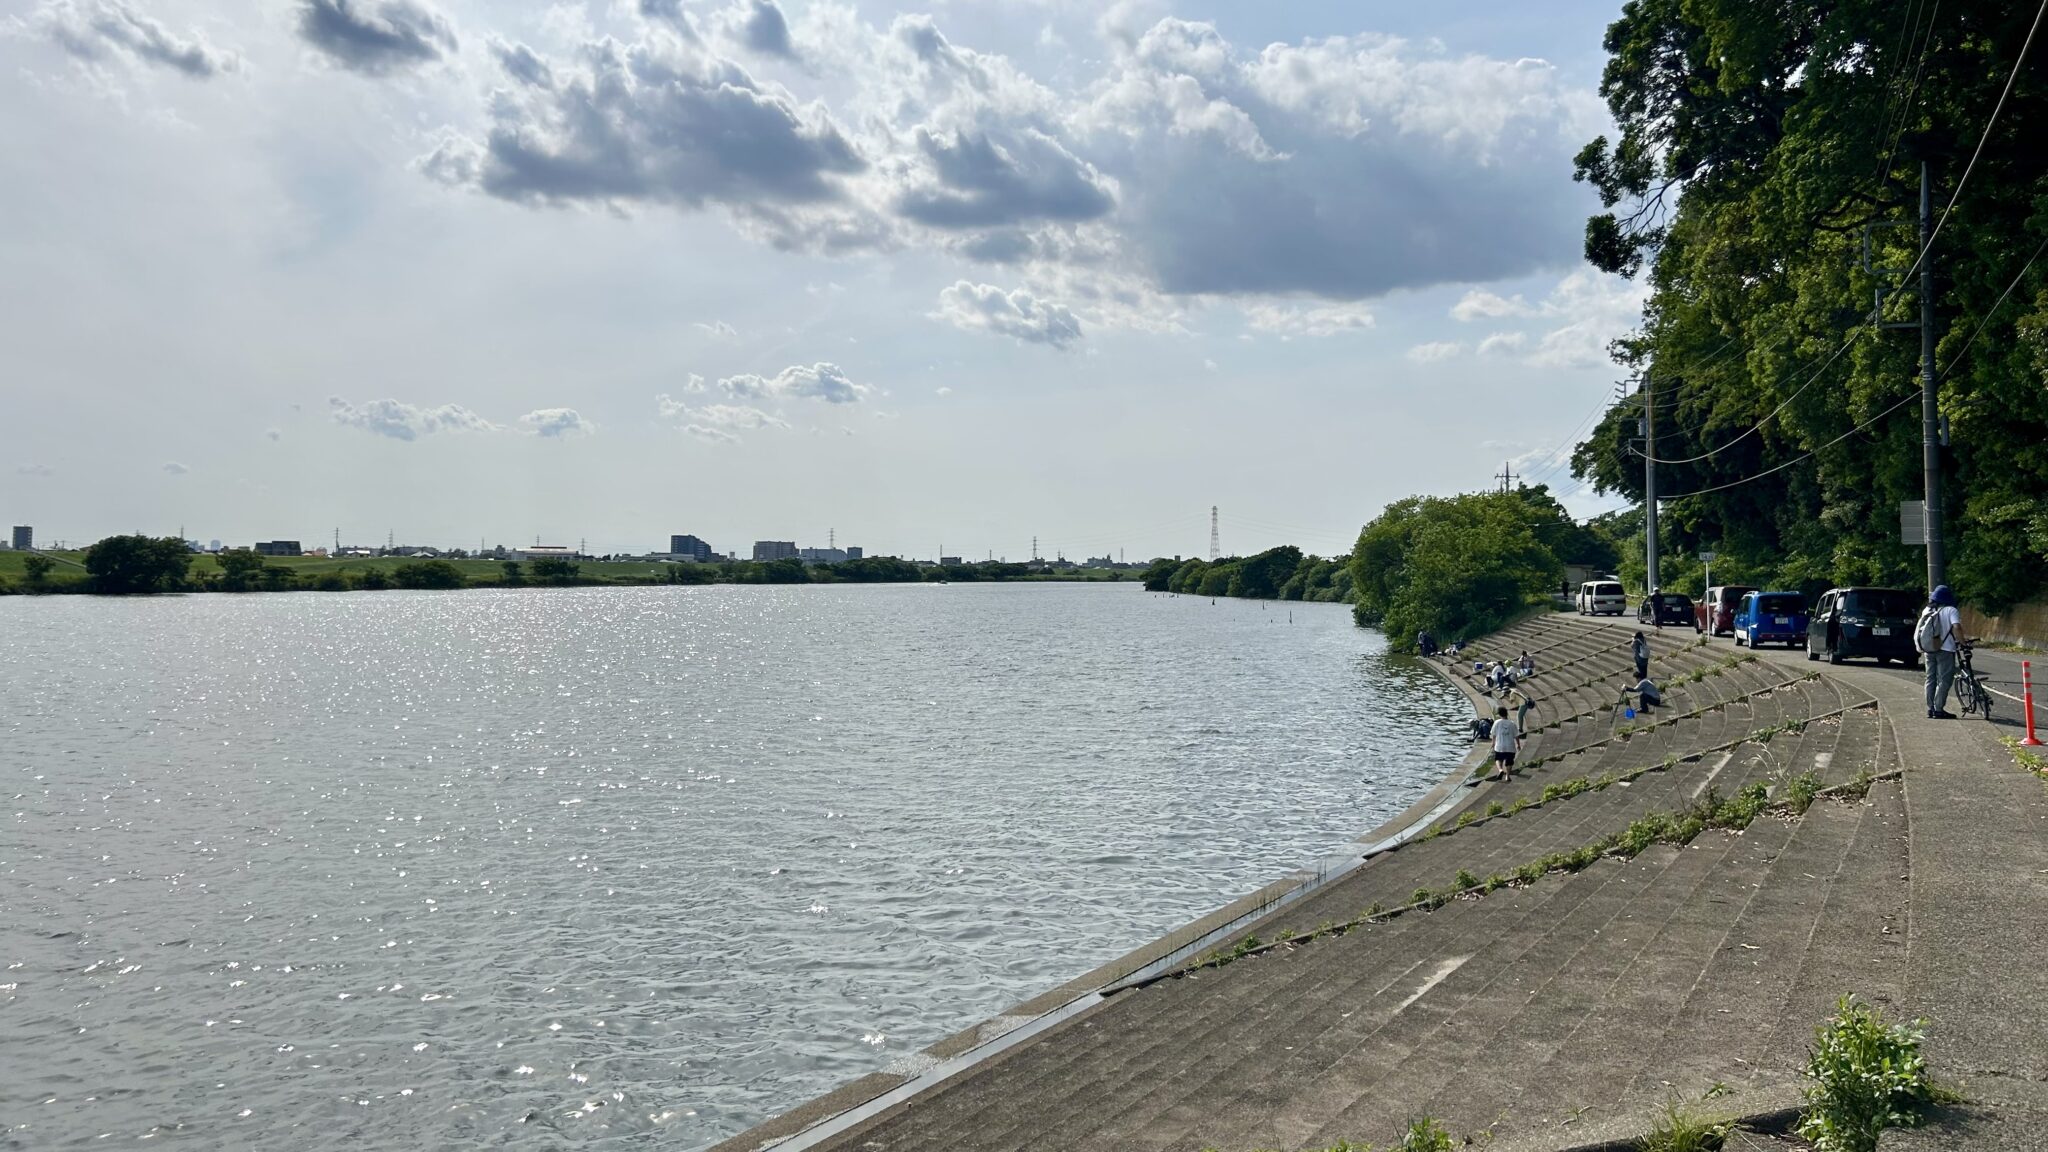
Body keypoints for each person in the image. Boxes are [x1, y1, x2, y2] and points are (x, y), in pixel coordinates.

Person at [1920, 584, 1963, 719]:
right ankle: (1939, 709)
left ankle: (1930, 708)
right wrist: (1962, 641)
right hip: (1945, 649)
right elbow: (1956, 627)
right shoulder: (1951, 610)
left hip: (1929, 649)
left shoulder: (1927, 610)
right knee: (1944, 680)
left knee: (1930, 678)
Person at [1489, 706, 1521, 781]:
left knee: (1498, 759)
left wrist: (1493, 743)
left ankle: (1500, 770)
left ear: (1499, 714)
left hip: (1499, 746)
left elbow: (1493, 734)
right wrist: (1518, 745)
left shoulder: (1497, 722)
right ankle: (1507, 776)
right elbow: (1516, 735)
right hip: (1510, 747)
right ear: (1506, 713)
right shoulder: (1512, 724)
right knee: (1509, 762)